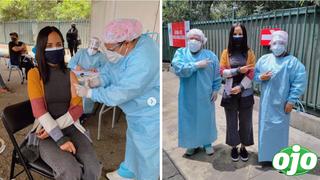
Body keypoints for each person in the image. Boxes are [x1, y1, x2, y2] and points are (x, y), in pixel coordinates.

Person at [74, 19, 159, 180]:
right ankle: (129, 171)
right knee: (134, 142)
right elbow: (113, 69)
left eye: (111, 49)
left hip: (149, 113)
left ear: (125, 43)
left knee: (147, 153)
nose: (109, 53)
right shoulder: (130, 47)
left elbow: (121, 92)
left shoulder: (144, 59)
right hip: (137, 111)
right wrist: (98, 80)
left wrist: (91, 94)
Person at [27, 26, 101, 180]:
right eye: (49, 46)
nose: (55, 49)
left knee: (93, 167)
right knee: (71, 170)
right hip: (44, 133)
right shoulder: (34, 74)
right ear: (41, 48)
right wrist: (59, 137)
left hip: (70, 128)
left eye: (58, 44)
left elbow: (78, 109)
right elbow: (39, 111)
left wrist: (56, 128)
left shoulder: (70, 74)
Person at [254, 30, 307, 165]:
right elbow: (253, 75)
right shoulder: (264, 59)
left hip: (283, 105)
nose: (278, 46)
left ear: (286, 44)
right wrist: (261, 77)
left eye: (281, 43)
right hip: (266, 104)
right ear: (270, 44)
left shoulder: (293, 63)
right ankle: (265, 157)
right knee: (265, 130)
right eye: (275, 43)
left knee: (280, 132)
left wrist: (291, 100)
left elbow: (299, 82)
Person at [171, 28, 221, 157]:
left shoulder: (211, 56)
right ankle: (191, 144)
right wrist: (196, 65)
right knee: (189, 120)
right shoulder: (181, 53)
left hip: (206, 95)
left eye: (197, 39)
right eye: (191, 38)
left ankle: (207, 143)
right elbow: (178, 69)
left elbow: (217, 74)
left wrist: (216, 89)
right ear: (187, 40)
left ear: (202, 41)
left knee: (206, 119)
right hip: (187, 96)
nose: (193, 41)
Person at [220, 23, 255, 162]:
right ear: (231, 35)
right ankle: (234, 146)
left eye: (240, 34)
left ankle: (243, 147)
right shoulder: (225, 52)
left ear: (244, 35)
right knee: (231, 121)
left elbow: (252, 73)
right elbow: (222, 72)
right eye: (235, 34)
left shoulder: (249, 52)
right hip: (230, 91)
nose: (238, 36)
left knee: (246, 121)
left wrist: (240, 87)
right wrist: (236, 71)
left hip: (245, 90)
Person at [68, 37, 107, 114]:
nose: (92, 50)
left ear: (98, 48)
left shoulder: (100, 56)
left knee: (87, 88)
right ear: (88, 45)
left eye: (95, 48)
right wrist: (76, 67)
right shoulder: (81, 52)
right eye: (91, 47)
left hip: (91, 79)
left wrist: (97, 69)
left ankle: (86, 112)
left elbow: (106, 68)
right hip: (78, 76)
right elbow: (70, 63)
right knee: (73, 87)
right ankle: (72, 107)